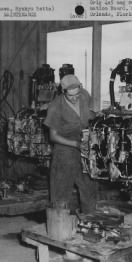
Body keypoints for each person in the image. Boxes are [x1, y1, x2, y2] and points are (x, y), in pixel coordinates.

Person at [44, 74, 98, 214]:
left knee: (89, 187)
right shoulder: (55, 106)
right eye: (70, 96)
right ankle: (59, 226)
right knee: (61, 191)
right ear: (63, 92)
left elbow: (91, 115)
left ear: (80, 88)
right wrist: (75, 144)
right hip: (64, 149)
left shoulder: (85, 96)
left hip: (84, 146)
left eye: (77, 94)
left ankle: (90, 222)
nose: (75, 98)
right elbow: (53, 136)